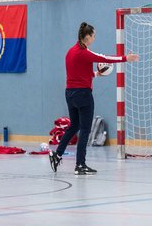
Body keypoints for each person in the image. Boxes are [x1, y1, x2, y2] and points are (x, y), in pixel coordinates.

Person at [49, 22, 139, 175]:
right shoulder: (84, 53)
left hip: (70, 93)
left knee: (74, 126)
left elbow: (77, 73)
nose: (94, 38)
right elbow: (105, 58)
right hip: (83, 94)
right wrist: (126, 58)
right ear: (87, 36)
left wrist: (96, 74)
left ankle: (57, 155)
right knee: (85, 129)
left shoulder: (71, 52)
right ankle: (80, 165)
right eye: (93, 36)